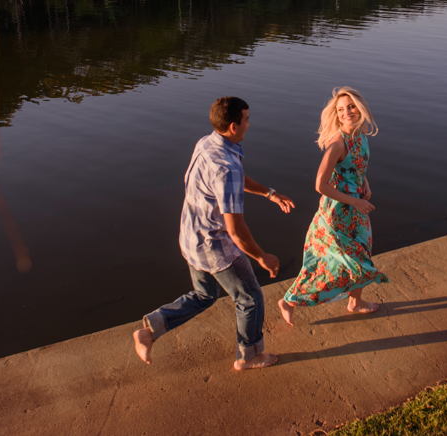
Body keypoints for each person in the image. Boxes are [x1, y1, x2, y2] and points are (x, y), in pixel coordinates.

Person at [133, 96, 295, 370]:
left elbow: (236, 179)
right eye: (246, 120)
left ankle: (151, 329)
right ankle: (249, 356)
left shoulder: (207, 143)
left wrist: (269, 193)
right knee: (250, 298)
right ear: (234, 126)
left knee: (205, 295)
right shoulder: (226, 168)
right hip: (215, 246)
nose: (249, 124)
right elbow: (235, 229)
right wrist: (261, 257)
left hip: (191, 237)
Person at [278, 86, 388, 326]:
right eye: (341, 110)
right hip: (338, 212)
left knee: (361, 255)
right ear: (336, 114)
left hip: (357, 208)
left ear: (360, 108)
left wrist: (364, 183)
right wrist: (356, 200)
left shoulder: (361, 134)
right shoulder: (338, 144)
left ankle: (355, 302)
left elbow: (356, 166)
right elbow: (320, 184)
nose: (347, 112)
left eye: (351, 107)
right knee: (328, 263)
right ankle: (289, 301)